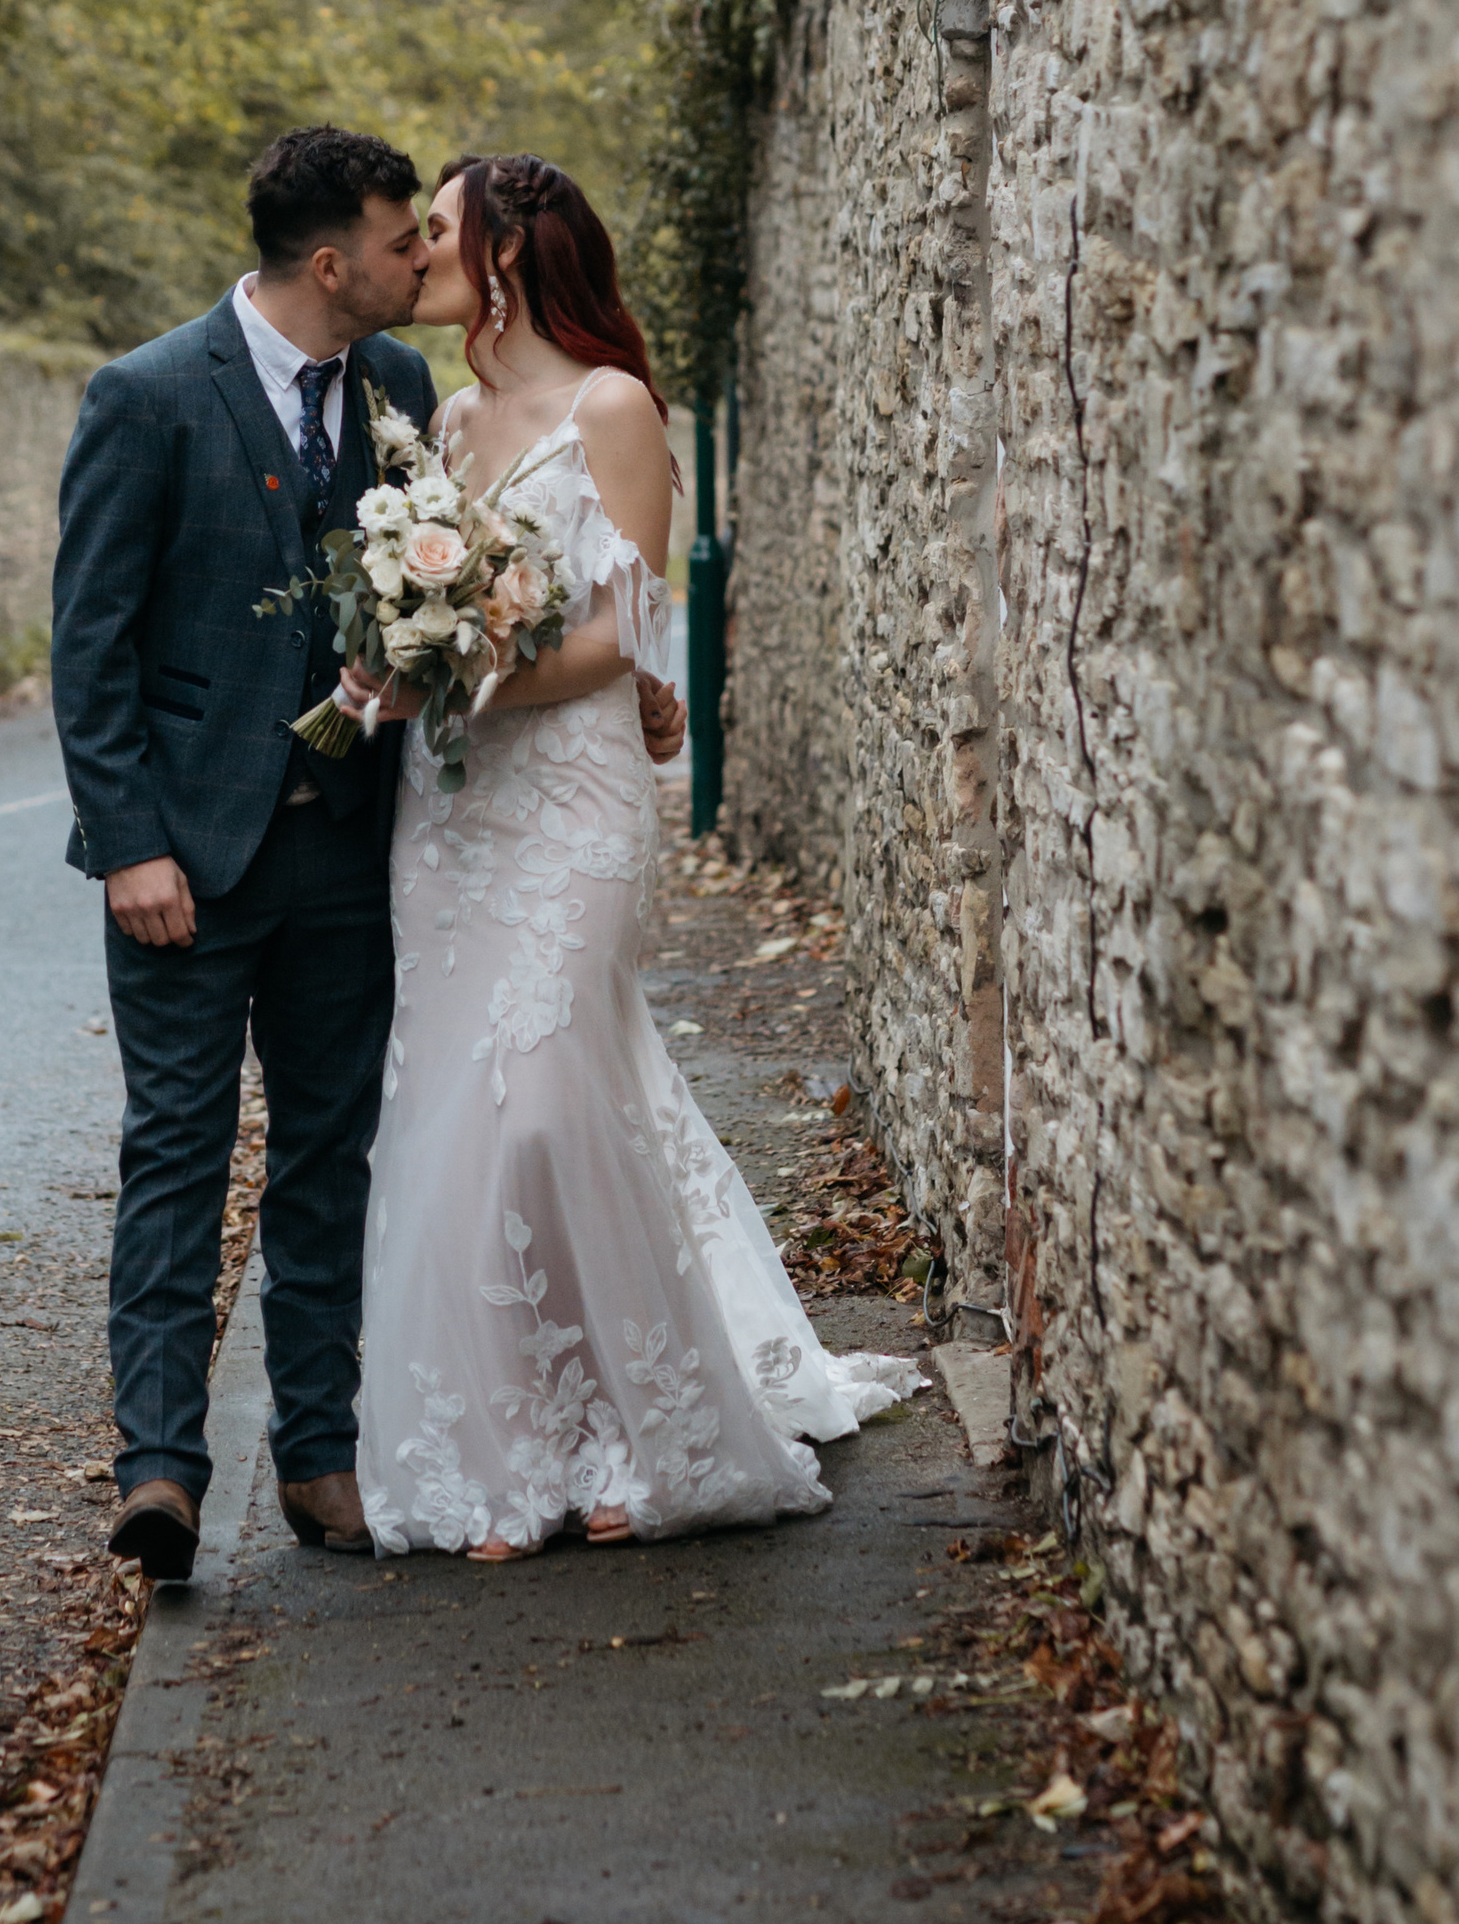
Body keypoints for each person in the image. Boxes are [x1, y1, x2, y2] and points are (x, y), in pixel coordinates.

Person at [50, 127, 684, 1584]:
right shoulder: (145, 398)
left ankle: (324, 1460)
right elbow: (89, 652)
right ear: (333, 261)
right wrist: (129, 847)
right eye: (407, 242)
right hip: (188, 866)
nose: (423, 260)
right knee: (177, 1155)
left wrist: (593, 678)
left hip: (363, 851)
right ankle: (160, 1471)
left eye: (435, 238)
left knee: (335, 1157)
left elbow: (537, 596)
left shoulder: (408, 391)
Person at [344, 154, 916, 1558]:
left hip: (578, 802)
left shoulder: (615, 408)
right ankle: (509, 1446)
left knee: (542, 1098)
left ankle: (634, 1430)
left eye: (444, 230)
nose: (418, 251)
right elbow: (402, 592)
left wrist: (456, 671)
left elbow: (632, 634)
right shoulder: (440, 419)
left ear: (513, 255)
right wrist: (397, 662)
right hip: (456, 814)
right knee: (455, 1118)